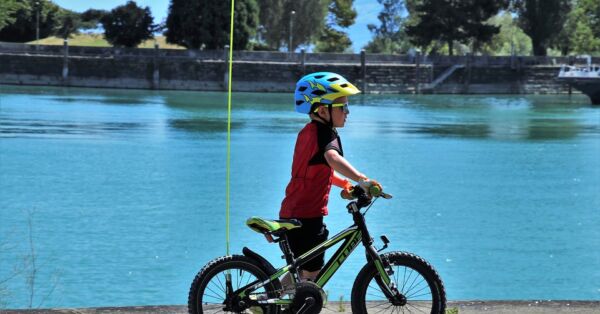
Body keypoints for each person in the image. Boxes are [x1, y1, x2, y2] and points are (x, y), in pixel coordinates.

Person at [279, 72, 383, 282]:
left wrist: (345, 183)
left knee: (301, 271)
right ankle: (269, 302)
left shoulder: (307, 132)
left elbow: (320, 169)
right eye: (342, 107)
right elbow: (332, 158)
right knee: (311, 276)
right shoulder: (326, 134)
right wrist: (361, 179)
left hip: (294, 210)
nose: (347, 112)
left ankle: (267, 302)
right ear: (323, 110)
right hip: (307, 216)